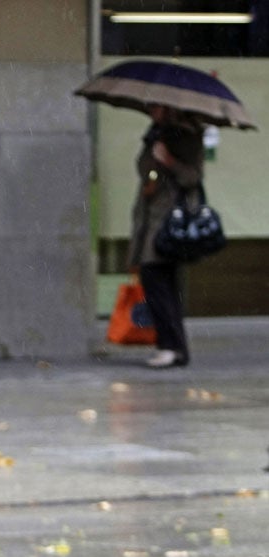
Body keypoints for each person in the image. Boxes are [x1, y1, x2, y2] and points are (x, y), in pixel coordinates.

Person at [128, 104, 205, 368]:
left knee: (156, 277)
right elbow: (143, 167)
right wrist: (153, 166)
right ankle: (173, 347)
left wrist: (169, 161)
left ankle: (170, 346)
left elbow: (192, 177)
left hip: (169, 220)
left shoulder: (188, 134)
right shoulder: (156, 133)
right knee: (160, 281)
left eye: (157, 106)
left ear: (170, 107)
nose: (152, 110)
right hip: (151, 215)